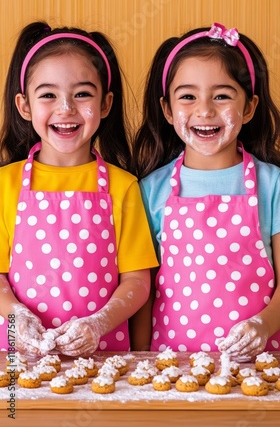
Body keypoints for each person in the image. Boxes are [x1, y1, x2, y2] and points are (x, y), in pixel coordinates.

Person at [0, 21, 158, 357]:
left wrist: (98, 323)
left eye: (82, 93)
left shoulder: (123, 186)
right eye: (48, 95)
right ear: (24, 105)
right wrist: (16, 314)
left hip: (103, 356)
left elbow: (138, 283)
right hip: (16, 356)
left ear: (105, 104)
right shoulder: (4, 185)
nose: (66, 108)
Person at [133, 22, 280, 359]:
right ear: (168, 110)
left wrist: (263, 325)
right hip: (170, 367)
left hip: (260, 366)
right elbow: (144, 292)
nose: (204, 110)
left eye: (222, 95)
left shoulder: (273, 185)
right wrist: (138, 358)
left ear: (249, 107)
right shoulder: (149, 190)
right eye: (188, 96)